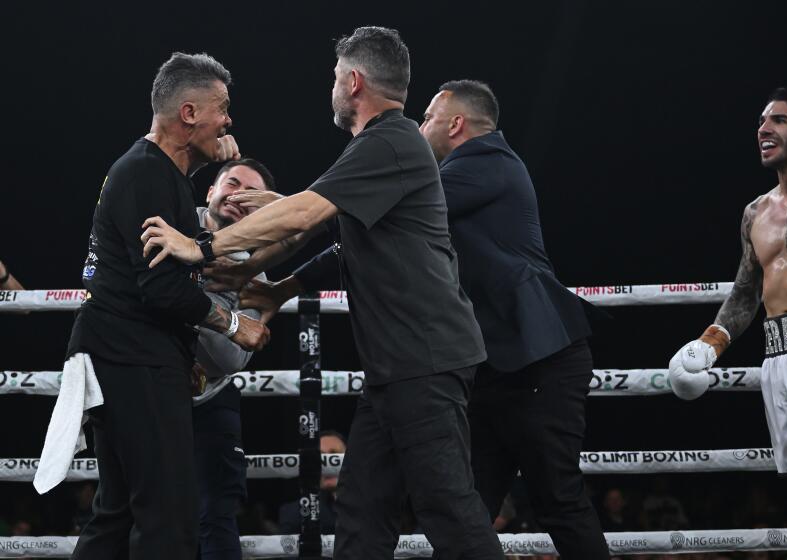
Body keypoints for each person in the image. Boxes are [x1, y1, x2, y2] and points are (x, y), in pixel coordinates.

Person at [140, 26, 504, 560]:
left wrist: (202, 246)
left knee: (449, 510)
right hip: (397, 368)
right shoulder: (378, 148)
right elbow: (327, 229)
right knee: (360, 513)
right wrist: (268, 281)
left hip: (424, 361)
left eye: (336, 78)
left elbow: (308, 211)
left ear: (354, 82)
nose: (331, 88)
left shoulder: (391, 140)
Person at [67, 52, 269, 560]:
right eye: (221, 109)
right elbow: (161, 289)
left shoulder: (159, 174)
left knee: (119, 514)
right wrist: (233, 323)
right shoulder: (147, 174)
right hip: (135, 360)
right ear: (189, 114)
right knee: (169, 517)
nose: (228, 121)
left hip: (120, 356)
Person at [417, 80, 610, 558]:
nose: (419, 127)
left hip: (540, 357)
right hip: (492, 366)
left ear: (456, 123)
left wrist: (293, 211)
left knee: (557, 499)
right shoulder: (461, 176)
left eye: (427, 117)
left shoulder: (486, 162)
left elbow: (389, 206)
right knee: (466, 509)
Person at [667, 87, 787, 558]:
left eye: (779, 121)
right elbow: (747, 291)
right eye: (763, 121)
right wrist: (710, 342)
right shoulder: (756, 212)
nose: (764, 129)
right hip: (781, 358)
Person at [193, 158, 280, 560]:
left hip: (212, 396)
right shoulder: (172, 222)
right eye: (231, 183)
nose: (238, 196)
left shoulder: (256, 274)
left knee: (219, 510)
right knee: (135, 506)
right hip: (150, 390)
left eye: (251, 194)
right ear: (210, 191)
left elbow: (232, 359)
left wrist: (190, 301)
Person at [277, 430, 346, 535]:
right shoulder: (295, 514)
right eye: (321, 457)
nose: (327, 464)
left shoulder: (371, 507)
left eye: (334, 456)